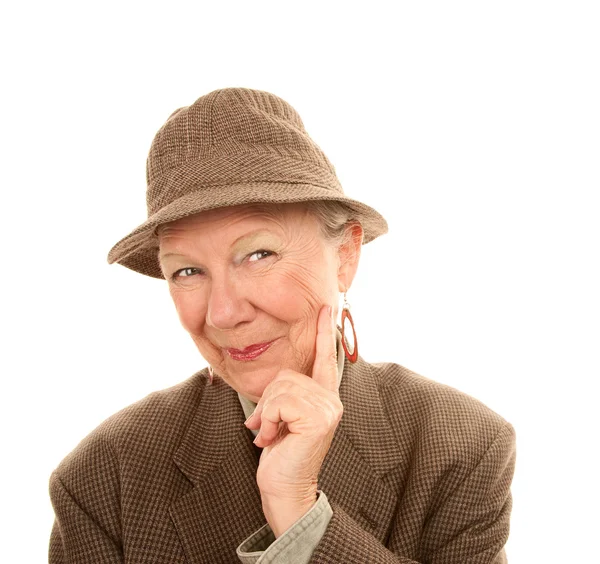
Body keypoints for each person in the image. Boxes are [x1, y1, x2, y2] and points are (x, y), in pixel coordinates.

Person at [48, 87, 516, 563]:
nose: (223, 313)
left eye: (258, 254)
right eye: (187, 271)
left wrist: (300, 514)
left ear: (345, 256)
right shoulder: (103, 477)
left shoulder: (459, 446)